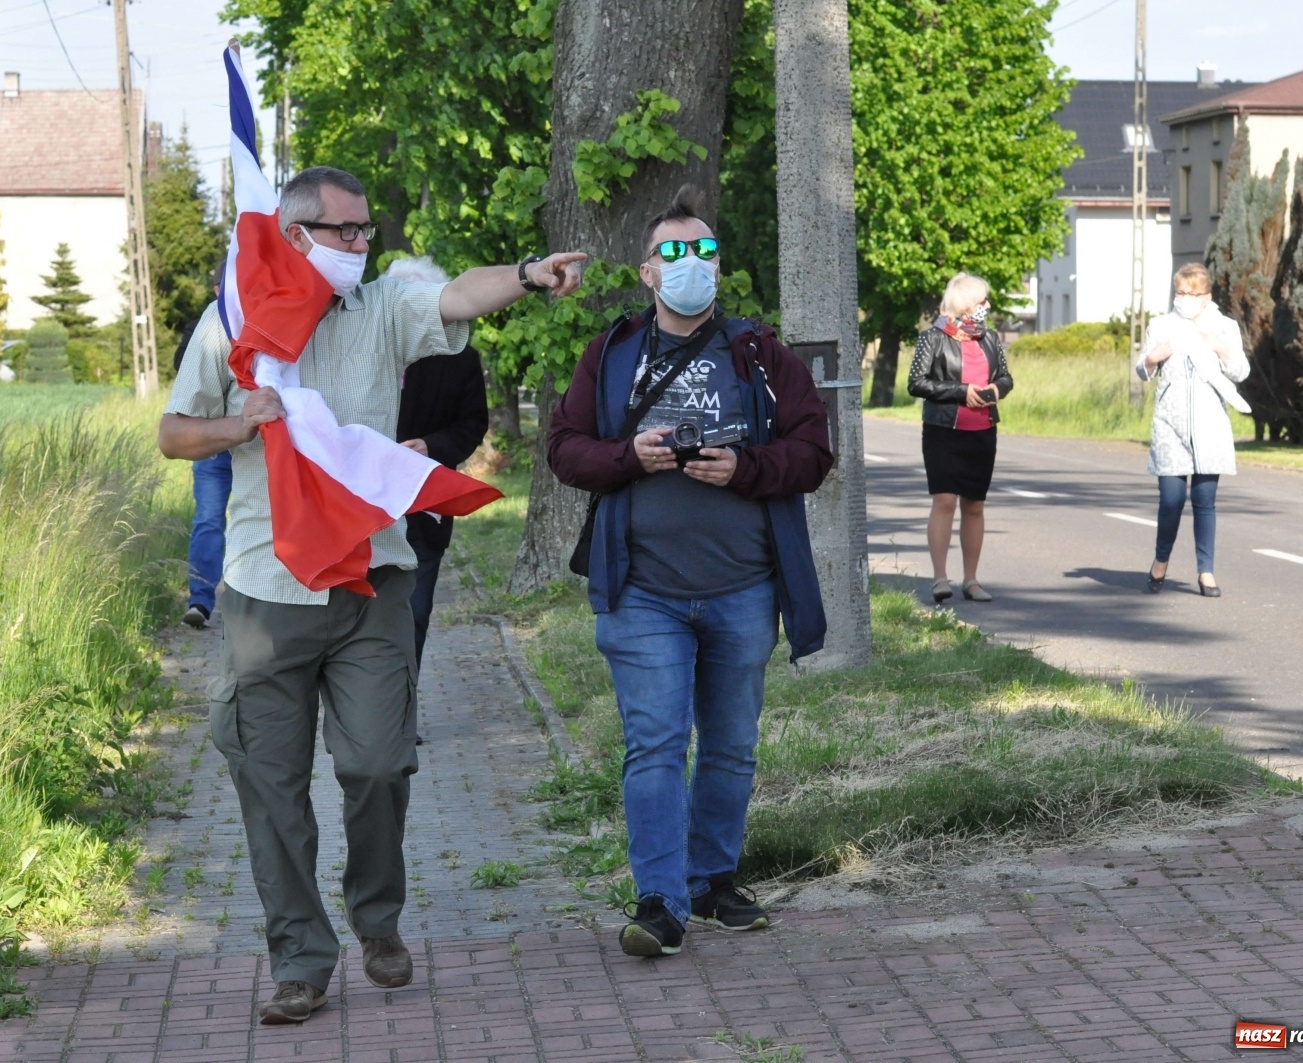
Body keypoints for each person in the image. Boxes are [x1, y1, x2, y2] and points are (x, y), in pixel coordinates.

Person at [157, 165, 584, 1025]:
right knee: (271, 786)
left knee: (378, 762)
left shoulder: (383, 306)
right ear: (297, 233)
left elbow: (458, 297)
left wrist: (531, 273)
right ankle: (301, 960)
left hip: (374, 577)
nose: (361, 244)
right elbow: (174, 432)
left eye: (365, 232)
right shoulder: (232, 321)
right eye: (345, 231)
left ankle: (377, 917)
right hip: (264, 589)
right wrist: (244, 422)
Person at [548, 185, 832, 959]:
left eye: (703, 249)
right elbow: (565, 448)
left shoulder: (759, 354)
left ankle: (712, 881)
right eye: (673, 251)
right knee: (656, 744)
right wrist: (624, 457)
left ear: (718, 264)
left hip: (744, 588)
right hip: (642, 591)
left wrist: (744, 466)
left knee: (733, 744)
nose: (690, 263)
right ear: (647, 272)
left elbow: (813, 453)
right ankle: (660, 902)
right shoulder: (610, 355)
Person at [388, 256, 491, 666]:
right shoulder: (366, 348)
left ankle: (400, 715)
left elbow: (471, 424)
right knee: (364, 619)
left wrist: (431, 446)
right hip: (361, 503)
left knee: (414, 613)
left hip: (423, 503)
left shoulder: (459, 357)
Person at [1136, 262, 1251, 598]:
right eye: (1180, 293)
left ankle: (1206, 571)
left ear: (1207, 296)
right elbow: (1143, 370)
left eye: (1192, 293)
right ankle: (1161, 561)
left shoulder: (1224, 326)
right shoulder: (1161, 325)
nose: (1184, 299)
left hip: (1210, 424)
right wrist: (1152, 358)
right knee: (1171, 499)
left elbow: (1241, 371)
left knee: (1205, 499)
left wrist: (1221, 347)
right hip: (1170, 424)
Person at [907, 272, 1014, 605]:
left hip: (983, 431)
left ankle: (971, 579)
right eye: (982, 301)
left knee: (975, 506)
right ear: (967, 305)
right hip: (942, 431)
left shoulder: (991, 338)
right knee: (945, 502)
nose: (987, 306)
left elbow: (1006, 377)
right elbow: (916, 383)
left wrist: (997, 389)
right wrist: (961, 392)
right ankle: (940, 578)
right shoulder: (934, 337)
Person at [177, 268, 231, 630]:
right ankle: (200, 600)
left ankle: (257, 600)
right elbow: (182, 369)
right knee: (209, 520)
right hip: (213, 446)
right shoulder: (200, 328)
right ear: (215, 289)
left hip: (258, 446)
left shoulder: (271, 322)